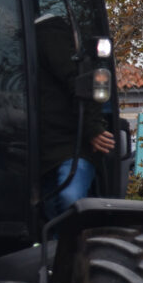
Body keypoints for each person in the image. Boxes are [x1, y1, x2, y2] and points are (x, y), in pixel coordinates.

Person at [36, 12, 114, 220]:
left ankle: (77, 246)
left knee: (70, 199)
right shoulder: (19, 45)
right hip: (42, 151)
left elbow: (82, 81)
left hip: (71, 147)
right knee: (50, 208)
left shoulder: (49, 37)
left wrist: (93, 128)